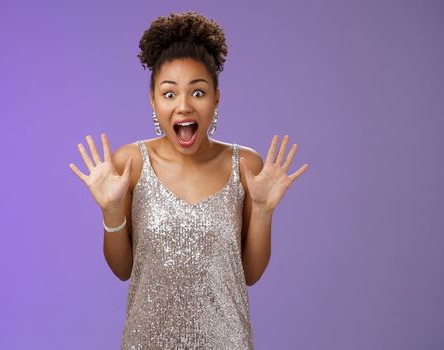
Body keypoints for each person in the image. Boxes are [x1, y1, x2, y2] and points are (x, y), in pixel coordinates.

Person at [67, 11, 309, 349]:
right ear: (153, 100)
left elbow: (249, 275)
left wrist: (263, 211)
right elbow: (123, 270)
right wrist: (110, 212)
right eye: (169, 94)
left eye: (197, 93)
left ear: (216, 98)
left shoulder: (245, 165)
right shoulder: (130, 163)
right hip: (146, 341)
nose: (183, 106)